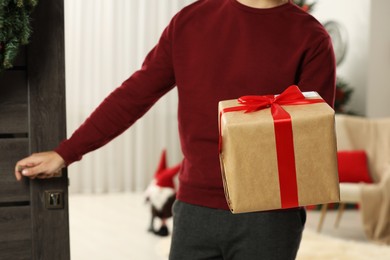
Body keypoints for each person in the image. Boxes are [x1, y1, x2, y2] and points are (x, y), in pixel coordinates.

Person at [15, 0, 336, 259]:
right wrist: (65, 152)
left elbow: (309, 142)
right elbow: (133, 95)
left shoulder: (311, 37)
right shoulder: (190, 23)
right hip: (195, 208)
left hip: (271, 217)